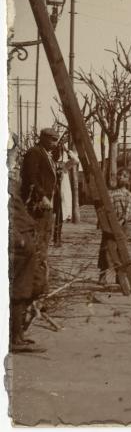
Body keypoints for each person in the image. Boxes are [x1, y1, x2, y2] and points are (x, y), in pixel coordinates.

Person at [8, 138, 48, 353]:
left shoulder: (9, 179)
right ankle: (15, 338)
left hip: (25, 238)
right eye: (13, 156)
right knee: (20, 290)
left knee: (33, 285)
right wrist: (18, 238)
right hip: (18, 242)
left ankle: (17, 334)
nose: (15, 162)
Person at [21, 127, 60, 283]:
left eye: (56, 140)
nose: (55, 143)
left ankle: (39, 280)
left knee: (44, 241)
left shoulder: (48, 155)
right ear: (43, 138)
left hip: (47, 207)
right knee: (38, 242)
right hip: (37, 205)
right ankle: (34, 281)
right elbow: (31, 177)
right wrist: (42, 196)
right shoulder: (34, 153)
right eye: (52, 139)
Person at [98, 168, 131, 286]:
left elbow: (128, 212)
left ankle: (120, 276)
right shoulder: (110, 193)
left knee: (121, 250)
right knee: (105, 249)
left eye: (124, 176)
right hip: (109, 225)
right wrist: (108, 223)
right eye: (119, 175)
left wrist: (121, 221)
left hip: (122, 226)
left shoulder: (129, 195)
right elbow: (106, 208)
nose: (121, 177)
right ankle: (102, 275)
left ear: (128, 180)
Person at [51, 140, 79, 247]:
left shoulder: (64, 166)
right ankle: (51, 237)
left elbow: (75, 160)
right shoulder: (51, 163)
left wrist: (67, 150)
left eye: (59, 152)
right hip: (52, 191)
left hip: (61, 192)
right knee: (51, 215)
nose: (57, 154)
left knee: (59, 214)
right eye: (55, 152)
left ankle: (57, 238)